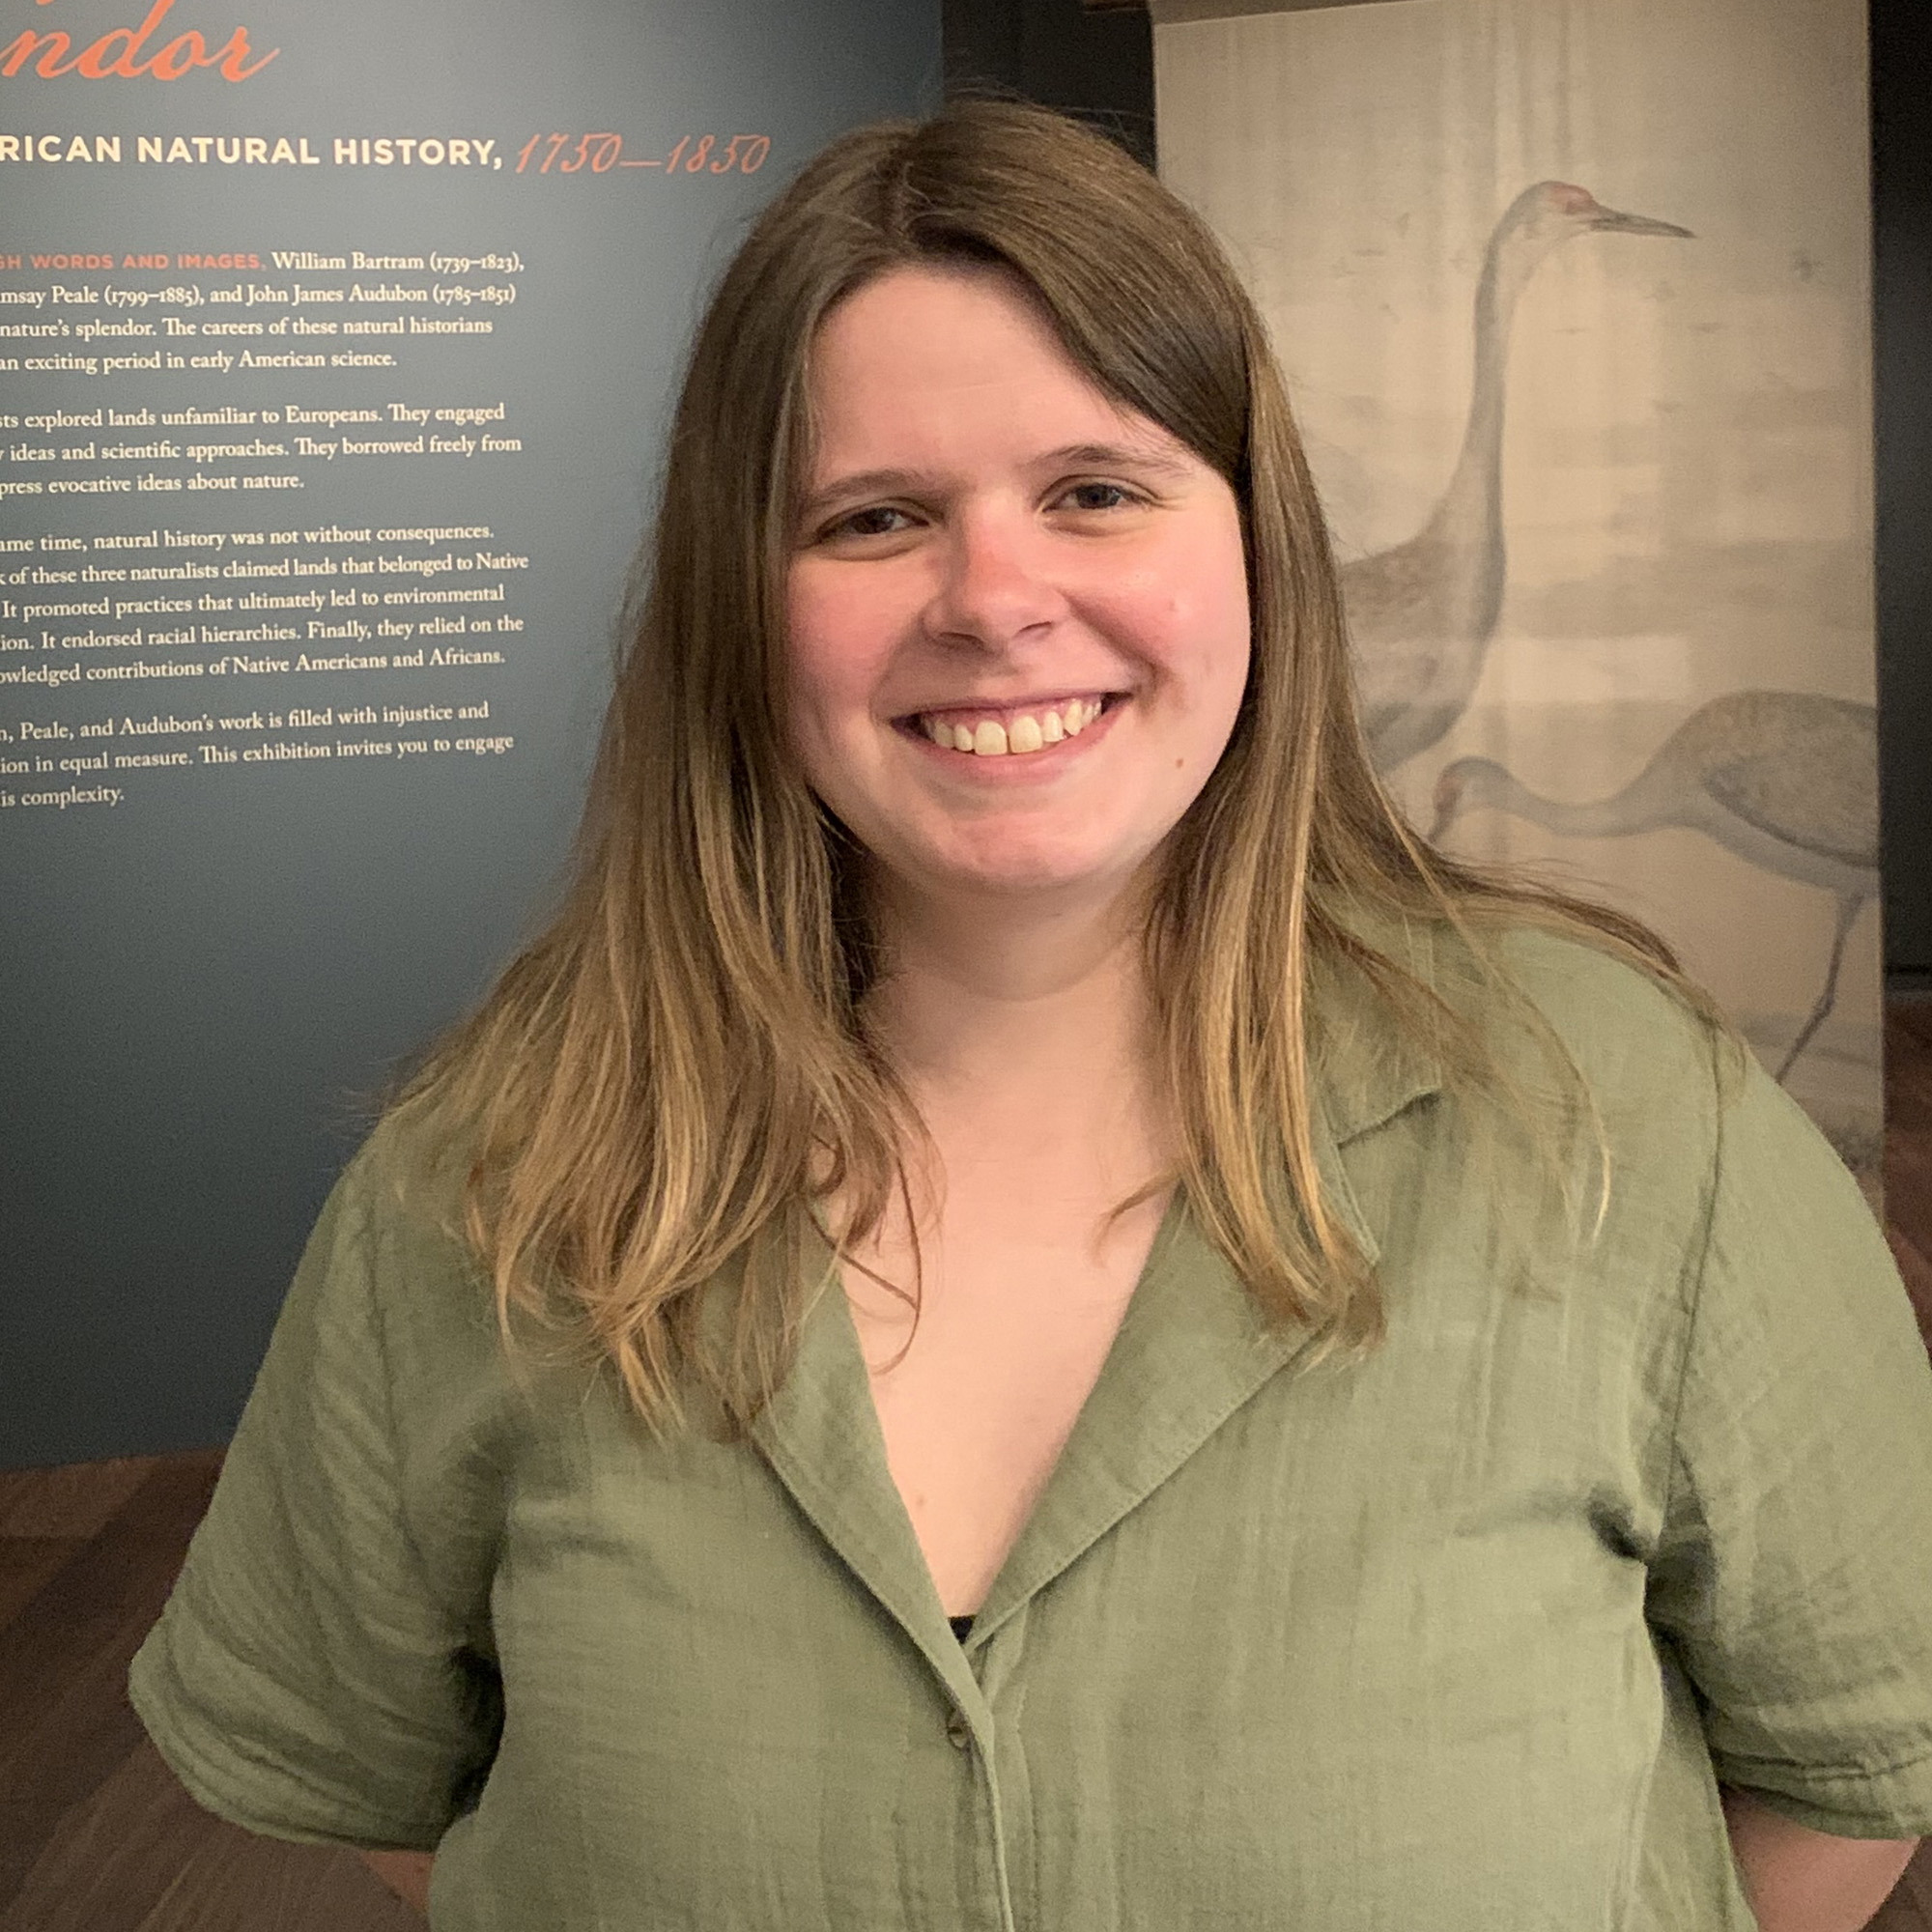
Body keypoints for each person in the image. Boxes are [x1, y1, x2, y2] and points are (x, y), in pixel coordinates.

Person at [129, 100, 1932, 1930]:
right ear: (742, 606)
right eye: (873, 518)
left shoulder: (1625, 1117)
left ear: (1254, 541)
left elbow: (1852, 1770)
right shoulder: (490, 1180)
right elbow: (386, 1795)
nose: (994, 600)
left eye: (1095, 489)